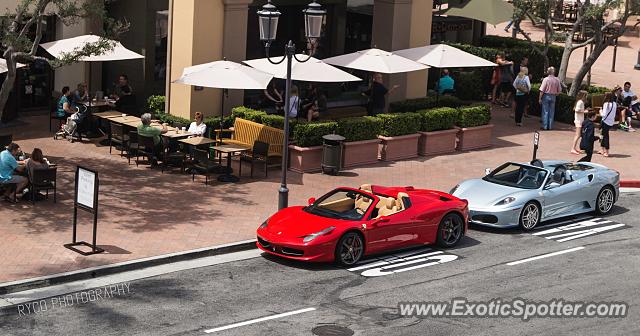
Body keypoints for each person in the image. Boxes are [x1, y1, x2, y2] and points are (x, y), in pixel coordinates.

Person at [571, 90, 589, 155]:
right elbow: (577, 110)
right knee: (577, 135)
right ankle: (573, 148)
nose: (586, 97)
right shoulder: (580, 102)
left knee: (578, 135)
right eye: (586, 96)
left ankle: (574, 148)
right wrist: (584, 111)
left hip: (579, 120)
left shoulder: (580, 102)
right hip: (578, 120)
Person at [599, 91, 616, 157]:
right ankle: (602, 149)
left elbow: (603, 114)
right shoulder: (614, 103)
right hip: (611, 122)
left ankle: (606, 151)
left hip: (605, 121)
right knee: (603, 135)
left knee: (605, 136)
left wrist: (600, 111)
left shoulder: (606, 104)